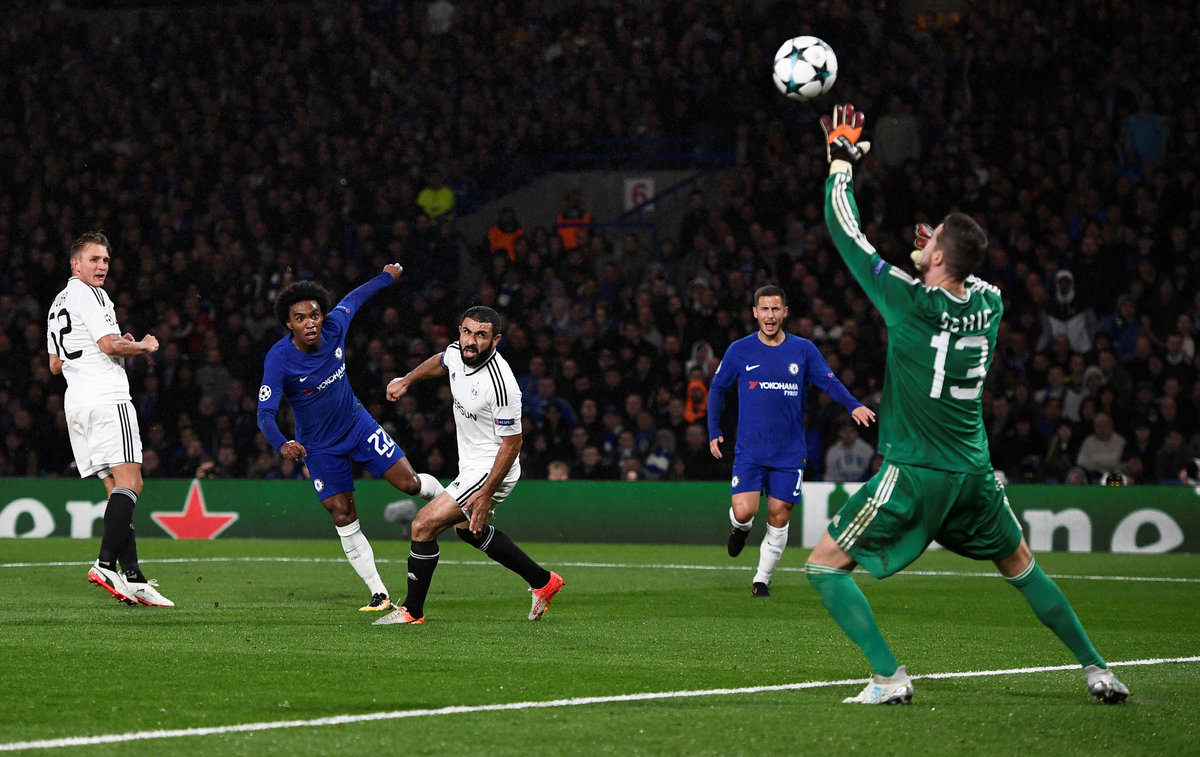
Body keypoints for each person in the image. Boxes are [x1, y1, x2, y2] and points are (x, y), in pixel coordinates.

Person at [807, 104, 1128, 705]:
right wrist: (939, 252)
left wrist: (841, 163)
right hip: (975, 474)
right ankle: (1098, 670)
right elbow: (964, 273)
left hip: (916, 471)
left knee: (824, 566)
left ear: (936, 258)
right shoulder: (991, 303)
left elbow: (846, 232)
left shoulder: (908, 302)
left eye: (931, 243)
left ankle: (888, 678)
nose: (923, 245)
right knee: (1023, 567)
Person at [257, 263, 444, 612]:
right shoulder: (279, 359)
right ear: (289, 324)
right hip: (319, 447)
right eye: (300, 318)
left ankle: (452, 500)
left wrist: (386, 277)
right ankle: (379, 593)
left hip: (358, 427)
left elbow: (355, 298)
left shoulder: (335, 325)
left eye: (315, 315)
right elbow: (264, 413)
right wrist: (282, 443)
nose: (310, 323)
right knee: (342, 514)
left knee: (410, 484)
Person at [373, 305, 564, 625]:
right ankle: (543, 581)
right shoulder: (457, 352)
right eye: (466, 332)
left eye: (481, 335)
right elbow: (441, 360)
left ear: (495, 340)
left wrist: (486, 493)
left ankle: (411, 612)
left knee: (423, 524)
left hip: (493, 467)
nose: (471, 341)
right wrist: (407, 380)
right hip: (473, 463)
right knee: (468, 531)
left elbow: (512, 444)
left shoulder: (502, 385)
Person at [707, 284, 875, 598]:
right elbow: (717, 388)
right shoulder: (739, 350)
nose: (770, 315)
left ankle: (761, 580)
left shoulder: (803, 350)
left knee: (779, 513)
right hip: (751, 449)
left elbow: (829, 381)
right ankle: (741, 529)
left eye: (775, 309)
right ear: (755, 313)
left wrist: (853, 405)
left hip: (789, 452)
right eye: (764, 309)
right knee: (744, 512)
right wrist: (713, 428)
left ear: (785, 312)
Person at [46, 231, 173, 607]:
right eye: (93, 259)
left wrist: (117, 345)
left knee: (116, 489)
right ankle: (104, 565)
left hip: (77, 405)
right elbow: (107, 344)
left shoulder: (57, 303)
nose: (101, 266)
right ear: (76, 264)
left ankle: (132, 577)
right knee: (132, 483)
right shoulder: (92, 294)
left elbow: (55, 364)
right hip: (107, 400)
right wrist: (142, 346)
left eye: (105, 260)